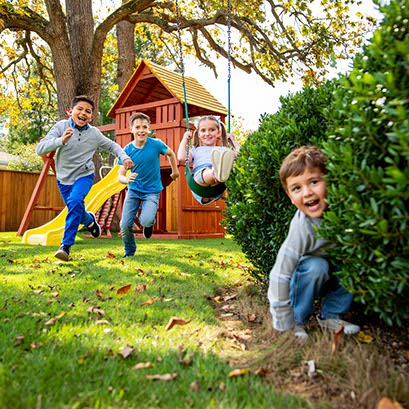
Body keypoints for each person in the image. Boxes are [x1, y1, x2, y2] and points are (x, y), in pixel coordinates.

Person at [267, 146, 360, 340]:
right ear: (290, 197)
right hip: (309, 272)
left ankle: (331, 315)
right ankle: (297, 320)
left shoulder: (346, 210)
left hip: (337, 264)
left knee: (354, 263)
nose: (307, 192)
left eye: (314, 182)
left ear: (329, 181)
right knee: (316, 266)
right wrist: (283, 320)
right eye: (297, 188)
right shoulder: (302, 227)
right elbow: (280, 274)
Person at [36, 95, 134, 262]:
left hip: (84, 175)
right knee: (76, 209)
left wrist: (124, 157)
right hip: (63, 179)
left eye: (87, 111)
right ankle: (90, 221)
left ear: (91, 117)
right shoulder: (61, 127)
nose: (83, 113)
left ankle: (65, 246)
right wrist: (61, 140)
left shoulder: (94, 134)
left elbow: (112, 146)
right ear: (70, 111)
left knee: (75, 201)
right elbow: (40, 149)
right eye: (79, 109)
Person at [118, 112, 179, 258]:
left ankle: (149, 224)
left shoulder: (156, 144)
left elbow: (171, 153)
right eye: (137, 127)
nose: (141, 130)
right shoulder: (127, 150)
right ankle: (129, 251)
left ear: (149, 129)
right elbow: (120, 175)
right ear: (131, 130)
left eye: (145, 127)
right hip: (133, 191)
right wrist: (126, 179)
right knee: (124, 225)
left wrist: (175, 171)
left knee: (145, 220)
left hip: (152, 191)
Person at [177, 115, 240, 205]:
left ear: (218, 133)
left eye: (212, 130)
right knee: (207, 170)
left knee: (225, 157)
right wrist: (185, 139)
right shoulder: (195, 150)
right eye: (203, 130)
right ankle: (215, 172)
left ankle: (218, 172)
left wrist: (233, 140)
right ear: (198, 134)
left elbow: (240, 154)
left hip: (217, 187)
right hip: (200, 180)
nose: (207, 133)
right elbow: (181, 157)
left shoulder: (222, 150)